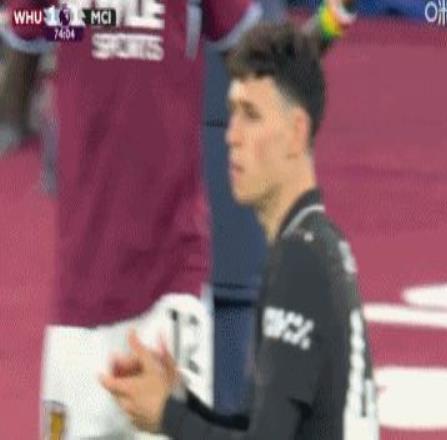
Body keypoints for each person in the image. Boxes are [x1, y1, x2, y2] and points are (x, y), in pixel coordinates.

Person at [102, 22, 379, 439]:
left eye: (251, 115)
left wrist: (168, 416)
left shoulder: (299, 263)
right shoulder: (313, 243)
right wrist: (178, 401)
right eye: (231, 112)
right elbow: (258, 425)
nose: (231, 136)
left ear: (296, 132)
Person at [1, 1, 262, 438]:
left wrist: (329, 28)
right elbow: (25, 29)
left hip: (171, 284)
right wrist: (83, 21)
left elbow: (257, 65)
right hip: (79, 298)